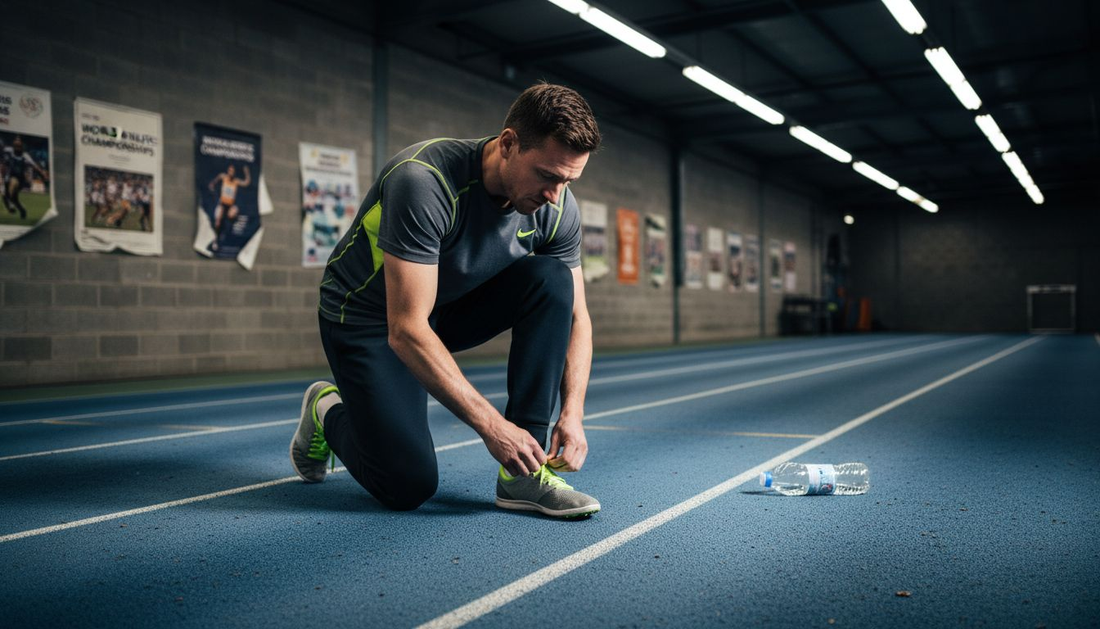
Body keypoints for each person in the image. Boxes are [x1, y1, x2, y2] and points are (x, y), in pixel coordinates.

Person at [290, 83, 601, 518]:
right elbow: (406, 329)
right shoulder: (424, 181)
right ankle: (327, 409)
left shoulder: (557, 205)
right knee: (407, 485)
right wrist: (494, 427)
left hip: (443, 306)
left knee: (551, 280)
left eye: (568, 180)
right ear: (508, 143)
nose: (555, 193)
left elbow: (577, 318)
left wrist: (573, 412)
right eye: (548, 175)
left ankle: (523, 476)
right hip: (368, 318)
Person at [2, 136, 49, 220]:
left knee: (13, 182)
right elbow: (3, 159)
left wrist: (43, 174)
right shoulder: (8, 151)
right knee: (12, 198)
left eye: (19, 144)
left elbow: (35, 166)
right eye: (16, 142)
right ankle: (22, 210)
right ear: (13, 145)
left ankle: (11, 204)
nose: (17, 146)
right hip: (8, 177)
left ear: (22, 146)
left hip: (19, 179)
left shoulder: (25, 156)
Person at [207, 164, 250, 251]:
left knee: (232, 215)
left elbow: (246, 183)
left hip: (230, 204)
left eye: (232, 171)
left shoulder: (236, 181)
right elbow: (217, 178)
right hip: (223, 203)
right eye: (230, 171)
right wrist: (212, 183)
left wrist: (247, 172)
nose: (231, 173)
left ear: (234, 173)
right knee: (218, 221)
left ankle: (226, 234)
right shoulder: (223, 176)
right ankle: (215, 240)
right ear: (228, 171)